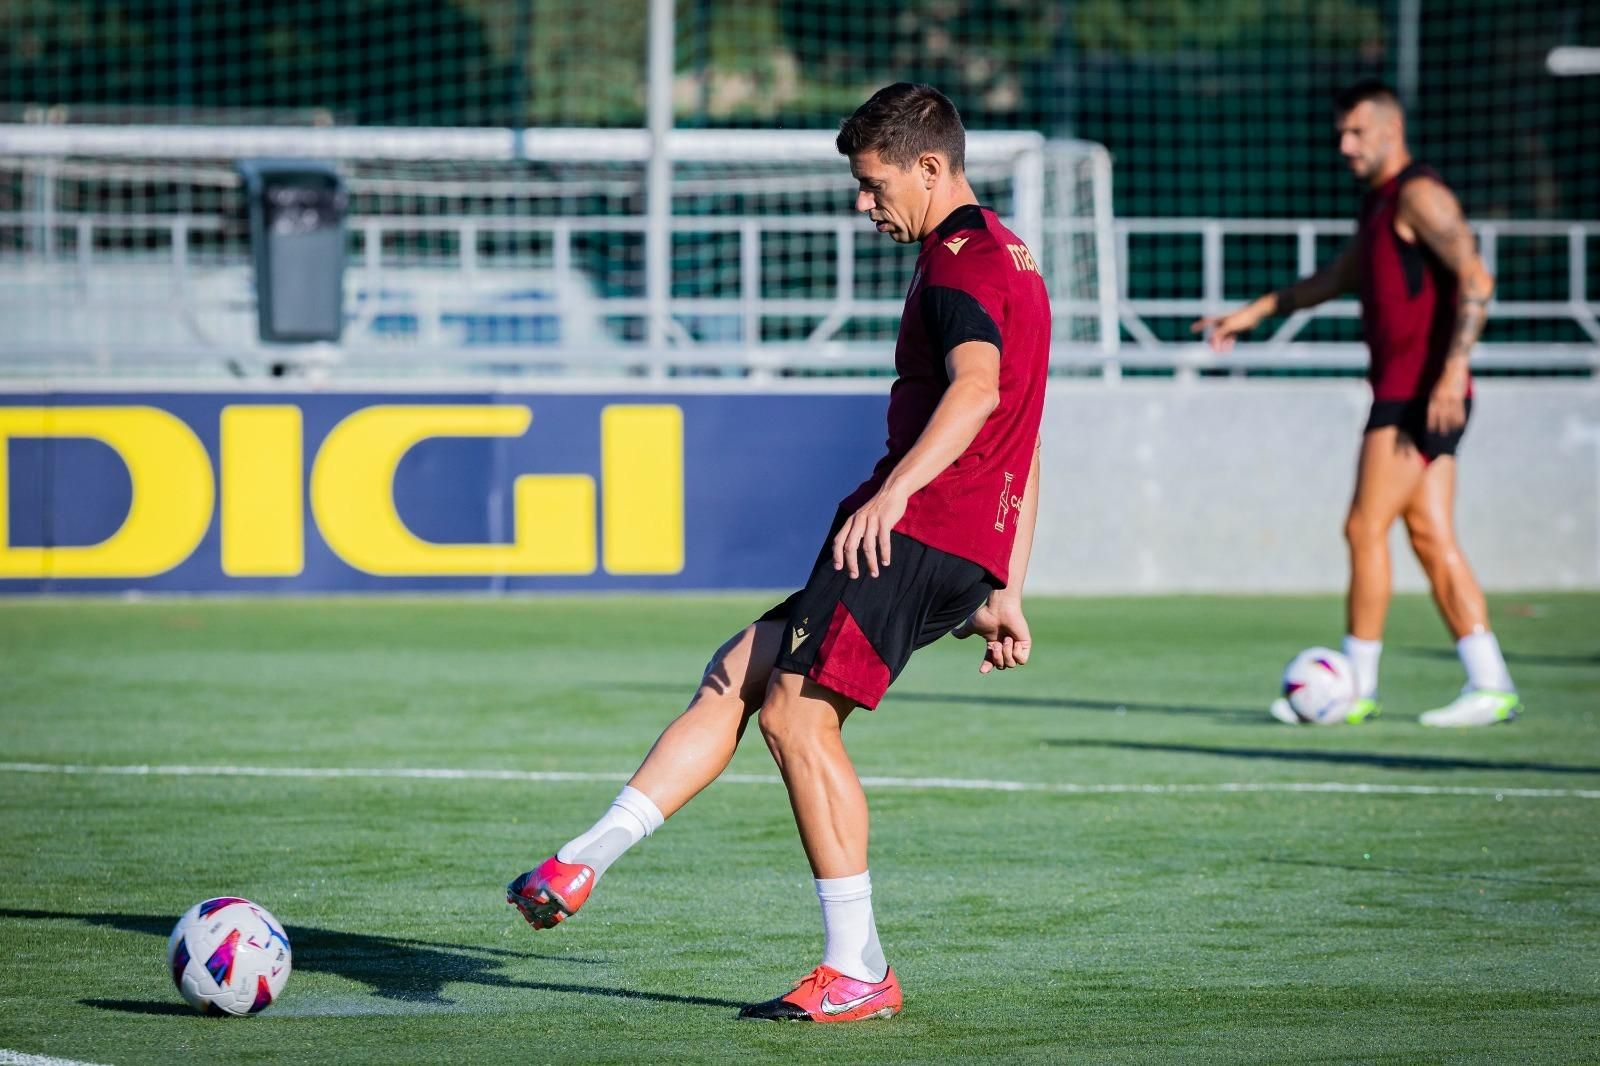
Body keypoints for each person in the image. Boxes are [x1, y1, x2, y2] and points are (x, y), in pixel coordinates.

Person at [504, 82, 1051, 1022]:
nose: (863, 203)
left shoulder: (959, 266)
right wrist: (1004, 581)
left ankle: (858, 969)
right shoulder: (1008, 258)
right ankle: (583, 859)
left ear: (932, 167)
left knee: (799, 718)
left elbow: (976, 395)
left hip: (913, 529)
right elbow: (1025, 434)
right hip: (955, 535)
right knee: (737, 674)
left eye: (875, 184)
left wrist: (895, 494)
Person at [1193, 78, 1518, 728]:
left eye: (1356, 132)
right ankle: (1490, 681)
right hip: (1412, 394)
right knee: (1428, 535)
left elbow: (1476, 274)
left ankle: (1355, 688)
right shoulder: (1378, 206)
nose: (1344, 144)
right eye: (1340, 133)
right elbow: (1336, 278)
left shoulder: (1419, 193)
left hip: (1417, 396)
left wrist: (1453, 370)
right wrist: (1250, 314)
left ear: (1391, 131)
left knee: (1363, 527)